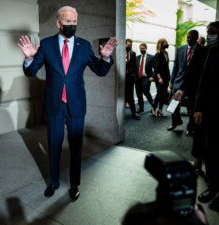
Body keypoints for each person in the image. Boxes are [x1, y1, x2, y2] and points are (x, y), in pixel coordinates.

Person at [18, 6, 117, 200]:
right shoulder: (46, 45)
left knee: (76, 145)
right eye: (67, 21)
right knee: (54, 145)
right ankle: (53, 182)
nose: (71, 25)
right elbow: (31, 72)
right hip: (55, 104)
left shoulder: (84, 45)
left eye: (74, 21)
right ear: (58, 23)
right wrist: (29, 58)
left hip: (76, 104)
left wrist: (105, 57)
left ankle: (74, 184)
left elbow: (99, 70)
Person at [194, 7, 219, 203]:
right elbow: (205, 81)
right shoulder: (216, 49)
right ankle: (213, 185)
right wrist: (199, 107)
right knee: (213, 151)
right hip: (216, 108)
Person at [181, 22, 219, 175]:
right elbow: (190, 73)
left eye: (213, 32)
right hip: (198, 97)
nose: (209, 35)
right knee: (199, 131)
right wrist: (182, 90)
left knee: (214, 138)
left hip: (217, 100)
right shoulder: (202, 51)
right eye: (208, 32)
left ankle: (212, 167)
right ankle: (197, 160)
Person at [168, 30, 199, 134]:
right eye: (188, 37)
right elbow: (175, 67)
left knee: (191, 107)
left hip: (193, 83)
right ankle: (175, 122)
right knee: (173, 104)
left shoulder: (202, 50)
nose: (189, 39)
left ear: (197, 38)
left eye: (192, 37)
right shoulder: (181, 49)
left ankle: (190, 127)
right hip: (178, 82)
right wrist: (171, 82)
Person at [152, 38, 170, 117]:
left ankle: (160, 109)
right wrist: (159, 78)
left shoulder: (166, 53)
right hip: (160, 78)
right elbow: (156, 68)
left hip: (166, 77)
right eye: (165, 42)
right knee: (159, 93)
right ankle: (153, 108)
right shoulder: (158, 54)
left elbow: (166, 66)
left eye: (166, 42)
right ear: (161, 44)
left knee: (164, 94)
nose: (166, 43)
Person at [135, 43, 155, 113]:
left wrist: (152, 77)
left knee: (146, 92)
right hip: (138, 78)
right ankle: (141, 108)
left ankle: (153, 106)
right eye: (140, 48)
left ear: (146, 48)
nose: (141, 49)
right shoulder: (137, 57)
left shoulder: (151, 57)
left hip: (146, 77)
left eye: (143, 48)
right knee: (138, 93)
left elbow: (155, 68)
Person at [125, 39, 140, 119]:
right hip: (121, 78)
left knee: (130, 96)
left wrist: (134, 76)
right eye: (128, 45)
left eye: (130, 45)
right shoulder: (120, 52)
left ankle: (133, 113)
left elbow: (135, 66)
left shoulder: (133, 53)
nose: (129, 46)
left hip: (130, 79)